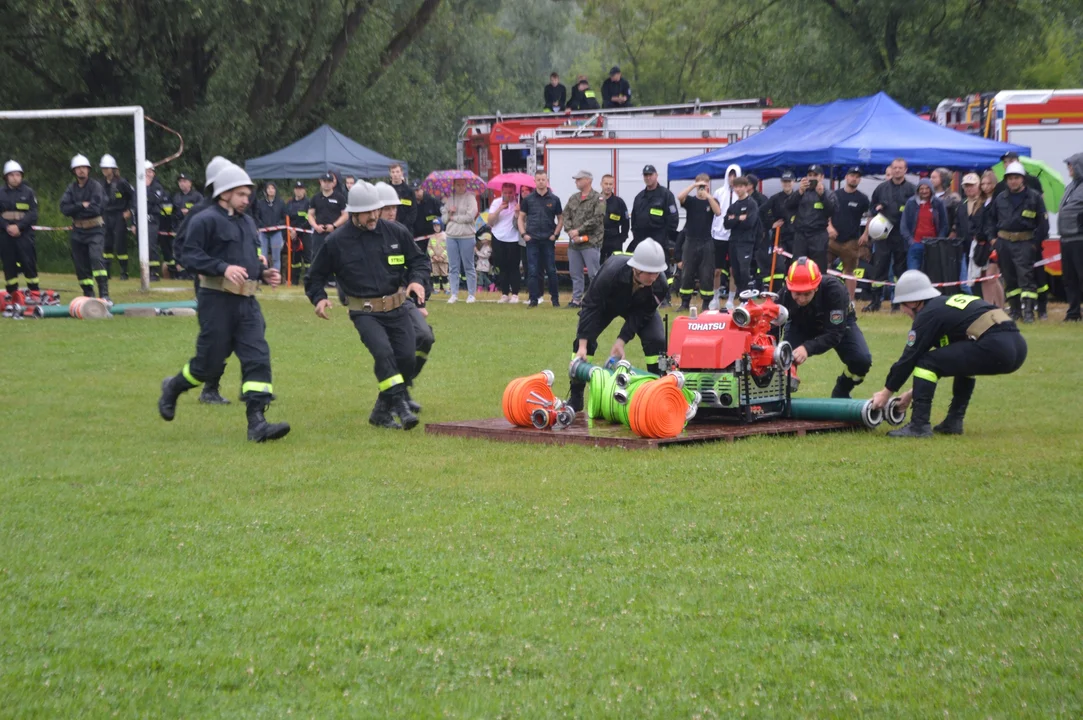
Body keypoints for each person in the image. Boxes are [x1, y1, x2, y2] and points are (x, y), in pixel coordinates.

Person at [157, 165, 290, 442]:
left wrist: (263, 273)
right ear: (224, 193)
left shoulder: (247, 222)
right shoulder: (204, 220)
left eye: (248, 194)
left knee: (257, 357)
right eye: (241, 194)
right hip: (216, 300)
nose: (246, 199)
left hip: (248, 303)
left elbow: (250, 257)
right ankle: (173, 388)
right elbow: (188, 255)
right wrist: (221, 267)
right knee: (207, 364)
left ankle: (257, 422)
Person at [305, 182, 430, 430]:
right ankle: (400, 406)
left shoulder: (396, 232)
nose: (373, 216)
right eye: (367, 212)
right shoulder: (336, 241)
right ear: (353, 213)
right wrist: (319, 298)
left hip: (397, 307)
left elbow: (419, 261)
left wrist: (416, 282)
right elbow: (314, 276)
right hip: (365, 312)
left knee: (406, 358)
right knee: (384, 354)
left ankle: (380, 413)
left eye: (376, 210)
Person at [870, 270, 1027, 437]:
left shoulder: (928, 314)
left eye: (902, 304)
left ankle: (919, 426)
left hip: (996, 345)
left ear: (915, 301)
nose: (902, 310)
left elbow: (910, 357)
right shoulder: (946, 306)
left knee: (925, 362)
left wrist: (886, 393)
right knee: (963, 363)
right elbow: (952, 359)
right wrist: (910, 394)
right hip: (1017, 346)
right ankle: (953, 421)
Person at [566, 239, 669, 412]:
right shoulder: (611, 272)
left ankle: (657, 392)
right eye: (650, 273)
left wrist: (621, 341)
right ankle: (576, 398)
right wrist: (583, 345)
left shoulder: (660, 284)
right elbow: (591, 305)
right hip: (607, 304)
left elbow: (642, 315)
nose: (654, 277)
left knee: (656, 340)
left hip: (638, 308)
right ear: (636, 268)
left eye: (657, 272)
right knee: (583, 342)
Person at [169, 156, 236, 406]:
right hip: (209, 286)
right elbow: (181, 246)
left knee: (232, 337)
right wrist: (197, 267)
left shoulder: (237, 213)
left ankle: (211, 386)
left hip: (235, 285)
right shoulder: (201, 212)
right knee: (215, 336)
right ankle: (204, 387)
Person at [375, 182, 435, 408]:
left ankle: (405, 384)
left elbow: (419, 264)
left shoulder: (401, 233)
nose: (392, 212)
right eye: (387, 207)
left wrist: (420, 298)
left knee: (425, 337)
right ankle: (397, 397)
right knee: (393, 349)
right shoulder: (364, 237)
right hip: (375, 306)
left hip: (404, 300)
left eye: (394, 208)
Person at [779, 257, 871, 398]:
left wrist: (807, 348)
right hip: (800, 324)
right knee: (780, 358)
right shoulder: (784, 294)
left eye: (807, 293)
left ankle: (842, 388)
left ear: (816, 287)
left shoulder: (835, 291)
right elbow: (771, 326)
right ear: (790, 287)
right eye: (797, 293)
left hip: (838, 326)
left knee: (862, 361)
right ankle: (779, 395)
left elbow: (834, 334)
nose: (802, 299)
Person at [983, 161, 1046, 323]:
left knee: (1026, 279)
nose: (1013, 181)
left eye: (1016, 178)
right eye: (1010, 178)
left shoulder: (1034, 197)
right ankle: (1015, 311)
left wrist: (1035, 244)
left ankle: (1029, 313)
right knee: (1010, 280)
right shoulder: (1000, 198)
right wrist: (993, 240)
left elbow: (1043, 224)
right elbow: (990, 221)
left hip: (1025, 243)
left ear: (1023, 179)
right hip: (1004, 243)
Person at [863, 157, 916, 312]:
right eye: (894, 167)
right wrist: (877, 209)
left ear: (905, 170)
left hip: (902, 236)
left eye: (900, 168)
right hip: (882, 236)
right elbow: (871, 209)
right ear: (891, 169)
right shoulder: (881, 188)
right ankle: (875, 302)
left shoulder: (912, 190)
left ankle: (898, 303)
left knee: (900, 271)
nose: (897, 170)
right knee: (879, 269)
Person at [60, 154, 109, 301]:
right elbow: (64, 208)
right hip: (78, 230)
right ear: (74, 171)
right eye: (78, 168)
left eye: (84, 168)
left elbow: (95, 208)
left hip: (95, 229)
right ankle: (88, 294)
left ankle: (104, 294)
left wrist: (75, 208)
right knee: (81, 265)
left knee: (96, 259)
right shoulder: (71, 188)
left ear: (88, 170)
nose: (81, 170)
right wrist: (81, 205)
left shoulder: (96, 187)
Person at [518, 171, 563, 307]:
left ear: (547, 181)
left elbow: (561, 218)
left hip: (548, 240)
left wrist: (555, 234)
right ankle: (533, 300)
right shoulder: (528, 200)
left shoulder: (554, 199)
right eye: (538, 180)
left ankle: (555, 300)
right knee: (532, 270)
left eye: (543, 179)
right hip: (532, 240)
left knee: (551, 270)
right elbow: (521, 218)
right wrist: (523, 234)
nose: (541, 182)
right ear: (535, 182)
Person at [676, 173, 721, 310]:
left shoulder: (712, 200)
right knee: (687, 272)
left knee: (706, 273)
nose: (701, 187)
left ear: (708, 185)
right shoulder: (690, 201)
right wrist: (693, 186)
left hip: (706, 241)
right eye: (699, 184)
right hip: (690, 241)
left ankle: (706, 303)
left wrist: (708, 196)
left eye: (704, 184)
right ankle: (685, 303)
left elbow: (718, 212)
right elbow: (679, 197)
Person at [958, 173, 1002, 308]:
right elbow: (972, 222)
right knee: (983, 277)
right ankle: (989, 307)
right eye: (983, 184)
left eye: (988, 183)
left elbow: (996, 222)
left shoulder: (998, 201)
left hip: (993, 243)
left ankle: (997, 307)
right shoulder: (980, 202)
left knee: (991, 277)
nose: (985, 186)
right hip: (980, 245)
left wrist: (992, 238)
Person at [563, 169, 606, 308]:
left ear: (588, 180)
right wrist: (570, 231)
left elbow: (597, 219)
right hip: (575, 244)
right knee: (576, 274)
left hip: (590, 241)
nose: (576, 181)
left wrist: (578, 231)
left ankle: (596, 300)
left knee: (594, 274)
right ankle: (576, 300)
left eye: (579, 179)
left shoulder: (598, 198)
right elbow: (566, 215)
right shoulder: (573, 198)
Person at [0, 160, 40, 297]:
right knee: (9, 265)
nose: (15, 177)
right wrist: (6, 226)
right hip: (5, 234)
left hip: (24, 234)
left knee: (28, 263)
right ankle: (12, 295)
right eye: (12, 175)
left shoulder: (28, 192)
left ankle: (34, 293)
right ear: (6, 177)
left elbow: (33, 213)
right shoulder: (0, 193)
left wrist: (19, 227)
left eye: (18, 175)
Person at [786, 164, 836, 272]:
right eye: (810, 175)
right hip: (801, 236)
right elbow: (788, 206)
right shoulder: (801, 192)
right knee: (798, 267)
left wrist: (822, 195)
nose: (812, 178)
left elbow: (833, 211)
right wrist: (799, 192)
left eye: (815, 175)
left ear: (822, 177)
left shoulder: (828, 193)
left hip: (818, 235)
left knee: (818, 268)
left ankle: (819, 288)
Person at [829, 167, 870, 299]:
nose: (854, 178)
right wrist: (829, 227)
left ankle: (850, 302)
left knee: (850, 272)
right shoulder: (834, 195)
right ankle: (826, 298)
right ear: (846, 177)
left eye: (857, 176)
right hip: (832, 240)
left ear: (859, 179)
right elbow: (826, 213)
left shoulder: (863, 198)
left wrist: (865, 234)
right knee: (824, 268)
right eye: (852, 175)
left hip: (851, 241)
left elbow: (870, 216)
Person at [441, 177, 479, 303]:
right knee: (453, 266)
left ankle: (471, 294)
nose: (460, 187)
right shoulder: (450, 199)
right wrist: (449, 213)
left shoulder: (470, 198)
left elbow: (470, 216)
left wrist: (454, 218)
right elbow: (444, 219)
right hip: (451, 234)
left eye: (463, 185)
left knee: (468, 265)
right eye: (458, 185)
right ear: (454, 185)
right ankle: (454, 293)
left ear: (466, 185)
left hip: (467, 235)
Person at [900, 178, 949, 271]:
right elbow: (903, 225)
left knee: (932, 273)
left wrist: (939, 241)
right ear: (918, 190)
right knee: (913, 273)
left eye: (927, 188)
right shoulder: (911, 203)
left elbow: (944, 224)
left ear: (931, 189)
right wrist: (911, 241)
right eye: (921, 188)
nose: (924, 191)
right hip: (915, 244)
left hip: (933, 245)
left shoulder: (938, 203)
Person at [722, 176, 761, 292]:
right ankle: (741, 294)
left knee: (744, 270)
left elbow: (749, 222)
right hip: (733, 241)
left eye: (740, 187)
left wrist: (734, 219)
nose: (738, 189)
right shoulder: (733, 206)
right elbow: (726, 224)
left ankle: (747, 295)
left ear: (746, 187)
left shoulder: (751, 204)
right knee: (735, 271)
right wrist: (739, 218)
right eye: (736, 187)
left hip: (746, 243)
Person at [99, 154, 133, 279]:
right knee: (107, 244)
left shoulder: (122, 183)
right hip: (106, 215)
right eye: (103, 168)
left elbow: (132, 197)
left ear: (113, 169)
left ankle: (124, 272)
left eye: (107, 168)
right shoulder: (101, 184)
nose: (105, 171)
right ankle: (107, 272)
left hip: (119, 215)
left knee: (120, 244)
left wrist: (130, 211)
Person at [1059, 152, 1083, 322]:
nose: (1069, 168)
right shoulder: (1070, 186)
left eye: (1071, 165)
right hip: (1066, 239)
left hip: (1080, 239)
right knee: (1070, 278)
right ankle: (1073, 312)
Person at [308, 172, 347, 275]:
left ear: (333, 183)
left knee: (336, 255)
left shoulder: (340, 198)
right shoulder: (315, 198)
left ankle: (334, 279)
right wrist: (316, 226)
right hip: (319, 233)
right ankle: (317, 278)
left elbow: (345, 215)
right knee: (317, 256)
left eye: (329, 181)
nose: (327, 184)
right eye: (324, 181)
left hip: (334, 233)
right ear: (320, 182)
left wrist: (334, 226)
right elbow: (310, 215)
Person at [488, 182, 521, 302]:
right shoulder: (496, 202)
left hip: (513, 239)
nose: (508, 195)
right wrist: (499, 209)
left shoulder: (518, 203)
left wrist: (517, 213)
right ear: (502, 192)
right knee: (502, 266)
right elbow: (490, 221)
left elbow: (520, 223)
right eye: (505, 193)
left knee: (514, 266)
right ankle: (505, 293)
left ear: (514, 192)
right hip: (498, 237)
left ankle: (515, 294)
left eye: (510, 193)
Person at [764, 169, 797, 286]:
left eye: (789, 181)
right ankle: (777, 292)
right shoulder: (775, 198)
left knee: (794, 266)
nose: (787, 184)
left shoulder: (799, 196)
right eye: (784, 181)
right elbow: (760, 212)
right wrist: (771, 225)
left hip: (796, 238)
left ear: (794, 182)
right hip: (779, 238)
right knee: (779, 266)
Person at [171, 173, 203, 279]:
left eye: (184, 181)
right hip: (180, 227)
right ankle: (182, 273)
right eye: (180, 181)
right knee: (180, 249)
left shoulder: (197, 196)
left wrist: (190, 212)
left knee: (192, 249)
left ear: (190, 183)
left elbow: (203, 211)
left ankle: (193, 273)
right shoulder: (176, 197)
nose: (182, 184)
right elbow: (173, 213)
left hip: (193, 227)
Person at [252, 182, 286, 273]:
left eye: (273, 188)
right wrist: (261, 225)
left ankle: (275, 276)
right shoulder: (260, 203)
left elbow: (285, 218)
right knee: (263, 256)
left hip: (276, 233)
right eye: (269, 188)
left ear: (275, 190)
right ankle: (264, 276)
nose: (271, 190)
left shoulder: (281, 203)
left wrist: (278, 225)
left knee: (276, 257)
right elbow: (256, 216)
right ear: (266, 190)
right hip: (263, 233)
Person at [144, 161, 170, 281]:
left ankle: (154, 272)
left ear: (153, 173)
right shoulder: (139, 186)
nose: (148, 174)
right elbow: (135, 203)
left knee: (151, 245)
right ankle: (145, 271)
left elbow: (153, 201)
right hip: (141, 220)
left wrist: (148, 188)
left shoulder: (157, 187)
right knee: (143, 246)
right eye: (146, 172)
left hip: (152, 220)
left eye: (150, 172)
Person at [284, 181, 310, 284]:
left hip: (305, 233)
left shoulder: (308, 203)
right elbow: (286, 218)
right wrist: (291, 231)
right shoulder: (289, 203)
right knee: (295, 260)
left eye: (300, 189)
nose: (298, 191)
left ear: (304, 190)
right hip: (292, 235)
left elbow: (309, 219)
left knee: (308, 259)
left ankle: (309, 281)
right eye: (296, 188)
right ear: (294, 190)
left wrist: (297, 231)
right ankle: (294, 281)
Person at [599, 174, 629, 262]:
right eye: (606, 184)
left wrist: (622, 238)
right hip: (599, 240)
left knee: (616, 267)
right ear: (601, 184)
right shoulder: (595, 200)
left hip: (614, 240)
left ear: (614, 185)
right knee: (598, 269)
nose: (608, 187)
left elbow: (626, 222)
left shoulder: (619, 202)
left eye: (610, 184)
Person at [411, 181, 442, 255]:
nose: (416, 193)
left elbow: (442, 216)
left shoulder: (433, 201)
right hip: (417, 238)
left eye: (418, 190)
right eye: (414, 191)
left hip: (433, 237)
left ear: (422, 189)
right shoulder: (411, 204)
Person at [389, 163, 416, 232]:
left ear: (401, 173)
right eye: (393, 172)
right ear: (390, 174)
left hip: (406, 229)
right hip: (389, 227)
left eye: (397, 172)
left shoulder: (409, 191)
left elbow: (413, 212)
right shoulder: (386, 190)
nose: (395, 174)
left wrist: (403, 226)